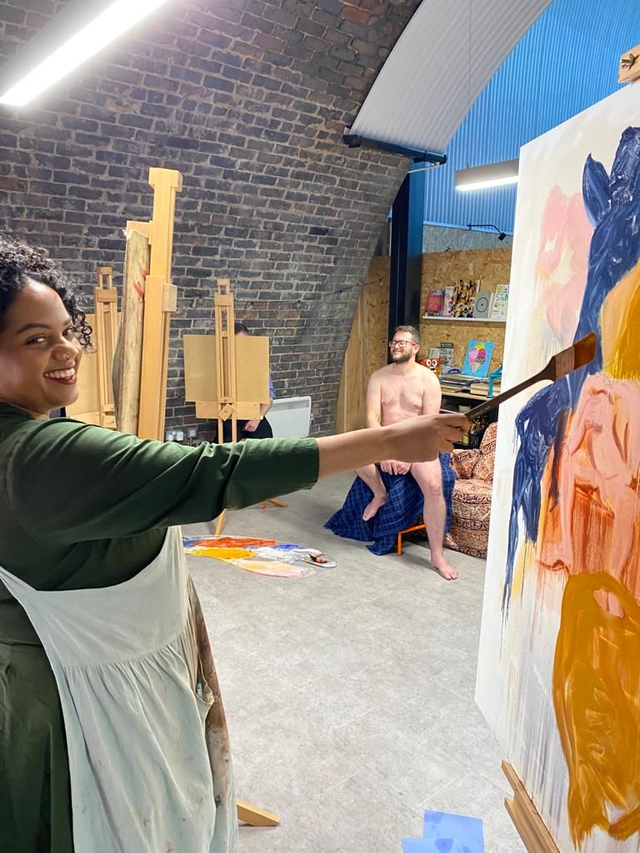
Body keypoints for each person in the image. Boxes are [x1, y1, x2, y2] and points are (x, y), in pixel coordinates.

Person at [0, 233, 468, 853]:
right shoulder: (36, 456)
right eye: (36, 339)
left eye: (68, 330)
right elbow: (215, 472)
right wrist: (385, 441)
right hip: (82, 703)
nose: (66, 349)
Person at [355, 325, 459, 581]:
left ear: (415, 348)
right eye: (394, 342)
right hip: (386, 438)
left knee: (434, 486)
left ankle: (437, 555)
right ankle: (379, 493)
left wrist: (408, 457)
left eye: (402, 342)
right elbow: (372, 417)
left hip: (417, 441)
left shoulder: (428, 380)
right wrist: (384, 451)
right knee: (351, 451)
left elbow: (429, 425)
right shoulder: (379, 377)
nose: (396, 345)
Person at [221, 321, 274, 441]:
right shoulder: (221, 366)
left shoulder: (257, 365)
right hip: (228, 417)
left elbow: (269, 398)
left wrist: (257, 418)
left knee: (266, 444)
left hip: (253, 415)